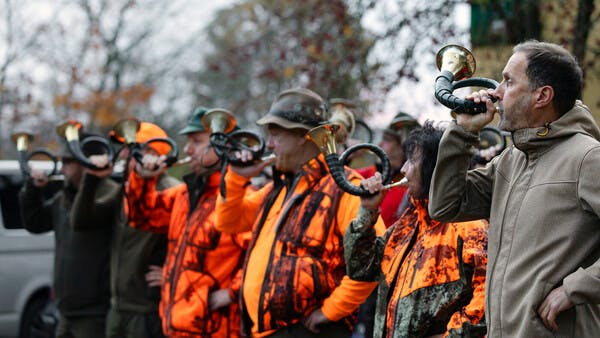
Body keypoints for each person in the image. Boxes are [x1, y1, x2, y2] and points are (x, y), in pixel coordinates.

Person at [429, 40, 600, 337]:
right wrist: (462, 133)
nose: (496, 92)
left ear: (542, 96)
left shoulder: (588, 157)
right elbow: (445, 206)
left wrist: (575, 289)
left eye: (508, 81)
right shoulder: (511, 159)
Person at [214, 87, 386, 337]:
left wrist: (330, 311)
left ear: (305, 137)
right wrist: (235, 177)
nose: (269, 144)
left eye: (275, 136)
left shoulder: (344, 186)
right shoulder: (280, 188)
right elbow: (228, 222)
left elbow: (373, 259)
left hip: (309, 331)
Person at [344, 122, 488, 338]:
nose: (403, 169)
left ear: (436, 168)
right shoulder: (409, 223)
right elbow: (360, 268)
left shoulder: (470, 227)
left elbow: (488, 301)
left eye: (412, 161)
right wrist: (367, 211)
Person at [125, 107, 250, 338]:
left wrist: (231, 293)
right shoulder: (183, 195)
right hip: (175, 327)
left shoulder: (241, 199)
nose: (188, 150)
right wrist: (142, 178)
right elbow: (141, 217)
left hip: (218, 331)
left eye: (196, 141)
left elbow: (260, 260)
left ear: (222, 144)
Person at [70, 122, 180, 338]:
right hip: (119, 309)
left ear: (150, 153)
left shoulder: (171, 190)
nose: (123, 155)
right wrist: (91, 178)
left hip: (149, 312)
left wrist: (172, 274)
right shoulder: (126, 190)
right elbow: (81, 221)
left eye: (130, 148)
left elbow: (195, 244)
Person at [19, 132, 111, 338]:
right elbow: (35, 223)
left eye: (68, 162)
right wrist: (32, 190)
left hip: (94, 312)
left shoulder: (108, 194)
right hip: (66, 310)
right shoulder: (64, 198)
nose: (61, 168)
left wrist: (90, 181)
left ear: (86, 162)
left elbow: (84, 216)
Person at [357, 112, 420, 227]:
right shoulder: (370, 174)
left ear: (404, 146)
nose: (380, 144)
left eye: (387, 140)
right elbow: (333, 178)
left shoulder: (413, 189)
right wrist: (348, 158)